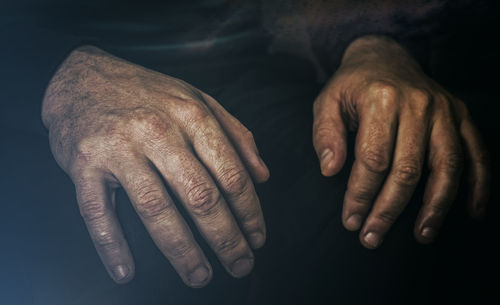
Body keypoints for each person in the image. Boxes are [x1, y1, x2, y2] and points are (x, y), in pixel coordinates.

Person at [1, 0, 495, 304]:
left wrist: (375, 41)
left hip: (242, 58)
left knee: (409, 168)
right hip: (33, 78)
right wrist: (58, 75)